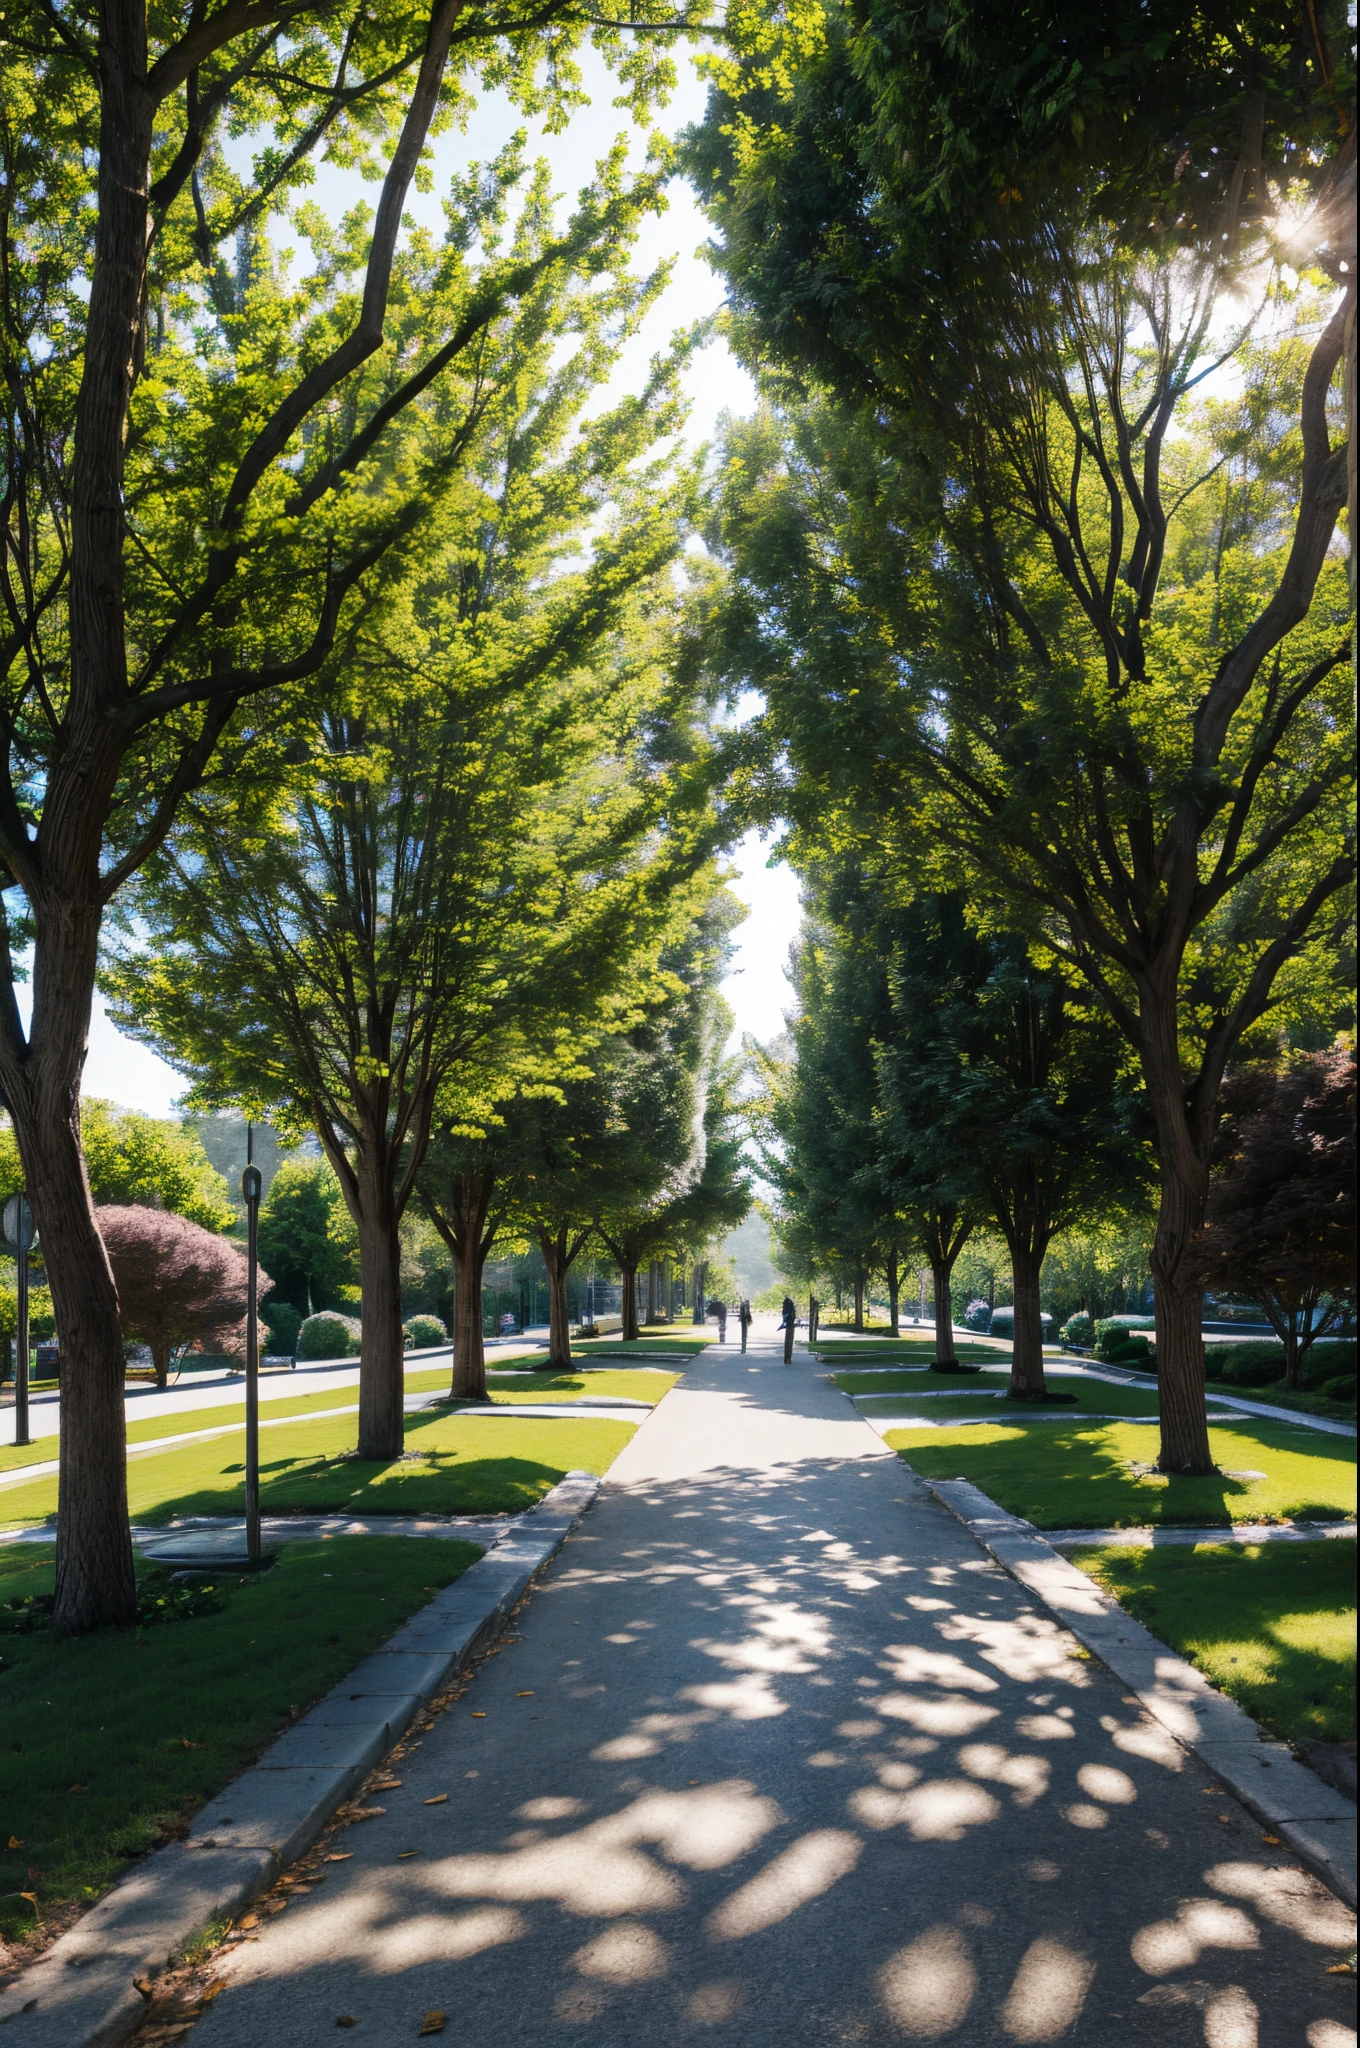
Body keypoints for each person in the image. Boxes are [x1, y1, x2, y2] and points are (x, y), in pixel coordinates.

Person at [780, 1294, 797, 1364]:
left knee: (788, 1342)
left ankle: (788, 1358)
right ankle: (788, 1358)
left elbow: (786, 1312)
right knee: (788, 1342)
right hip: (789, 1322)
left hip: (789, 1322)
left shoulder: (788, 1304)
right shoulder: (789, 1304)